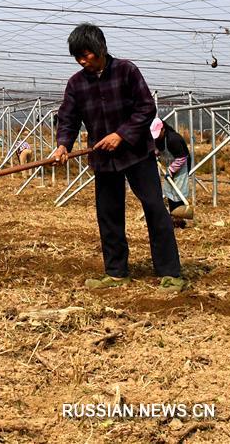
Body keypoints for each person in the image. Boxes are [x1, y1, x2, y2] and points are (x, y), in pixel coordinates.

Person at [52, 23, 185, 292]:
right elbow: (68, 118)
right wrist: (62, 145)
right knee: (109, 214)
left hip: (137, 154)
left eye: (86, 54)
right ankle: (116, 273)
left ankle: (170, 273)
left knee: (154, 209)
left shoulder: (126, 70)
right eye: (77, 56)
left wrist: (121, 135)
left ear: (100, 48)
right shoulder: (76, 84)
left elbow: (147, 108)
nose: (82, 60)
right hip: (103, 159)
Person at [151, 118, 191, 227]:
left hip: (181, 166)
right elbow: (160, 151)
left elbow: (182, 158)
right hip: (170, 165)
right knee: (169, 190)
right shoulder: (159, 139)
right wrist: (155, 154)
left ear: (163, 129)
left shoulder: (173, 139)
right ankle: (173, 217)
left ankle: (179, 219)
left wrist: (171, 170)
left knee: (179, 192)